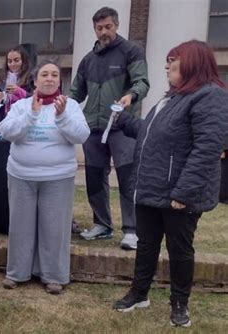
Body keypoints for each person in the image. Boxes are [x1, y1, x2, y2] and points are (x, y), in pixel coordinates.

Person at [113, 40, 228, 327]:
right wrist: (124, 122)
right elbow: (155, 134)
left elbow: (207, 148)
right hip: (152, 188)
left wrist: (184, 192)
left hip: (179, 194)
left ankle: (180, 303)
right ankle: (139, 294)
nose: (166, 67)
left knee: (179, 250)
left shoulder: (210, 96)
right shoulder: (173, 98)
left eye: (173, 62)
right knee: (147, 244)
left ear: (192, 64)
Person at [0, 60, 90, 294]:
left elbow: (81, 135)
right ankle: (17, 273)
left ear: (60, 81)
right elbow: (8, 132)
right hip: (21, 175)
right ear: (35, 80)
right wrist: (31, 114)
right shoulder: (21, 106)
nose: (49, 79)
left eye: (54, 75)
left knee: (55, 228)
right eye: (44, 74)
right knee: (21, 226)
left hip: (58, 177)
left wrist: (62, 117)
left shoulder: (70, 106)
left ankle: (53, 276)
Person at [69, 7, 149, 250]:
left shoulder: (131, 51)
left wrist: (131, 96)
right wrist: (62, 107)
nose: (103, 32)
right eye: (99, 28)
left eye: (108, 27)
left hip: (122, 126)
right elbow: (75, 93)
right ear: (95, 29)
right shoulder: (87, 60)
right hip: (92, 128)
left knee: (127, 177)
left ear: (116, 25)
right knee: (94, 176)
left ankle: (132, 230)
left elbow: (142, 82)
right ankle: (102, 224)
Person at [0, 45, 33, 136]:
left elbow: (34, 99)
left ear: (23, 61)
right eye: (9, 61)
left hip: (21, 119)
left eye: (16, 60)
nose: (13, 64)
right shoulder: (0, 78)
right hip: (1, 119)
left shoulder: (30, 77)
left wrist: (19, 92)